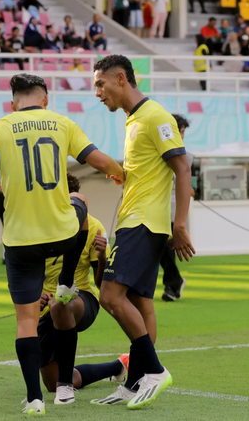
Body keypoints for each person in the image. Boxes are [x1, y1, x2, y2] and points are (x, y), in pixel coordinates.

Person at [0, 73, 124, 415]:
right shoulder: (61, 123)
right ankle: (68, 280)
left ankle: (34, 400)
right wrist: (122, 176)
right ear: (45, 99)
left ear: (13, 103)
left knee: (24, 321)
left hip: (20, 239)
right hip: (62, 232)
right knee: (79, 203)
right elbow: (97, 159)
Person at [91, 55, 195, 409]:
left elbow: (182, 169)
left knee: (110, 296)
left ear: (120, 78)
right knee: (137, 302)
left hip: (143, 222)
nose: (96, 93)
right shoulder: (133, 119)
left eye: (100, 84)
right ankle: (135, 381)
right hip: (133, 220)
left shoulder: (155, 117)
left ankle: (153, 369)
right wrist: (124, 173)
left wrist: (179, 224)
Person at [39, 172, 130, 401]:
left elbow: (101, 285)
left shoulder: (93, 227)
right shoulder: (39, 226)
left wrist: (101, 257)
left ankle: (65, 388)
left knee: (62, 304)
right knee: (51, 382)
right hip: (44, 307)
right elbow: (27, 275)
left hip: (82, 300)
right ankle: (117, 367)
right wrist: (36, 296)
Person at [161, 115, 195, 302]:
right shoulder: (157, 153)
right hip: (156, 208)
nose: (181, 136)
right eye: (179, 131)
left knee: (165, 246)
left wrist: (190, 189)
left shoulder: (188, 158)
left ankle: (172, 285)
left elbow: (192, 184)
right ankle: (174, 282)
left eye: (182, 132)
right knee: (160, 248)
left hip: (175, 211)